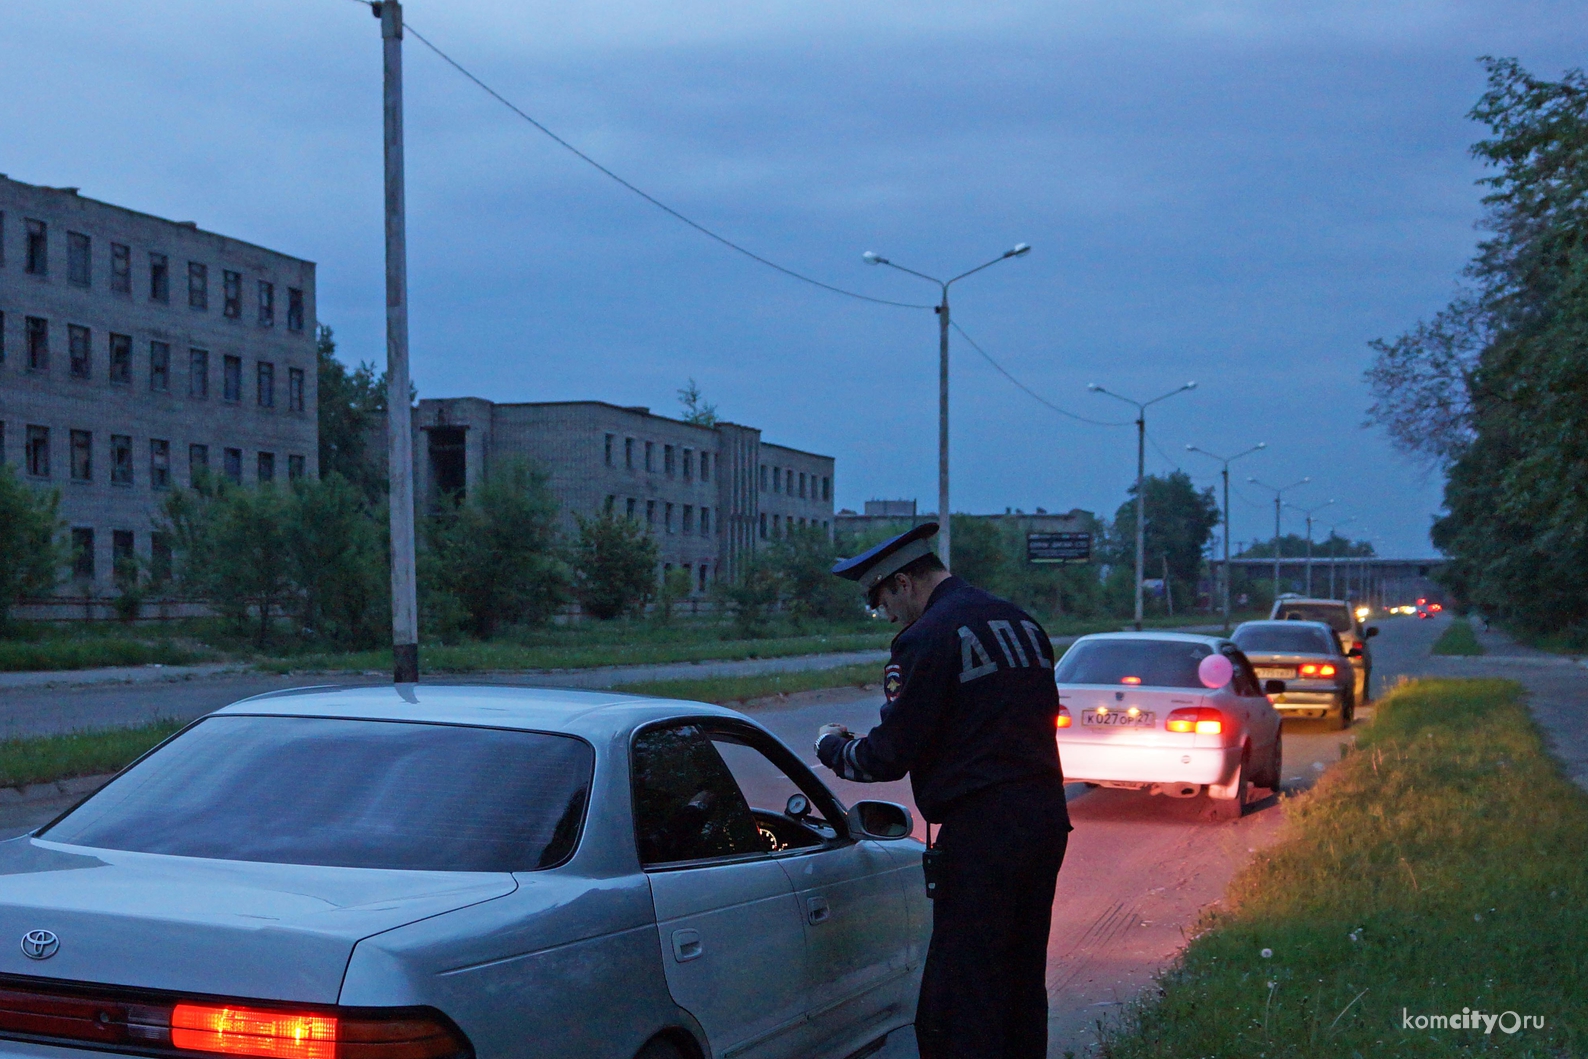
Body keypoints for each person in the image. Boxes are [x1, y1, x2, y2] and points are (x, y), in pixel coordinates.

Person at [814, 522, 1070, 1059]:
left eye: (880, 600)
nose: (884, 615)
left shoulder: (927, 636)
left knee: (961, 991)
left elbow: (889, 754)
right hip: (1045, 820)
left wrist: (833, 748)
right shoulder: (1021, 622)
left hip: (982, 831)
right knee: (1022, 975)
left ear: (903, 582)